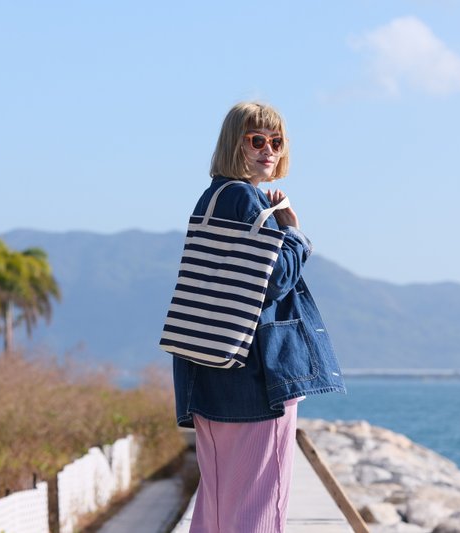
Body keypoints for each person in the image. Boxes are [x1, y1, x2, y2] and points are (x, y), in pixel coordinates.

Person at [172, 101, 346, 533]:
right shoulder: (246, 199)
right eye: (256, 140)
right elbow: (272, 280)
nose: (268, 150)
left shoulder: (211, 198)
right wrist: (293, 232)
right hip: (255, 380)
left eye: (276, 141)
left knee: (215, 507)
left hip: (209, 371)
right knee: (259, 506)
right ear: (236, 143)